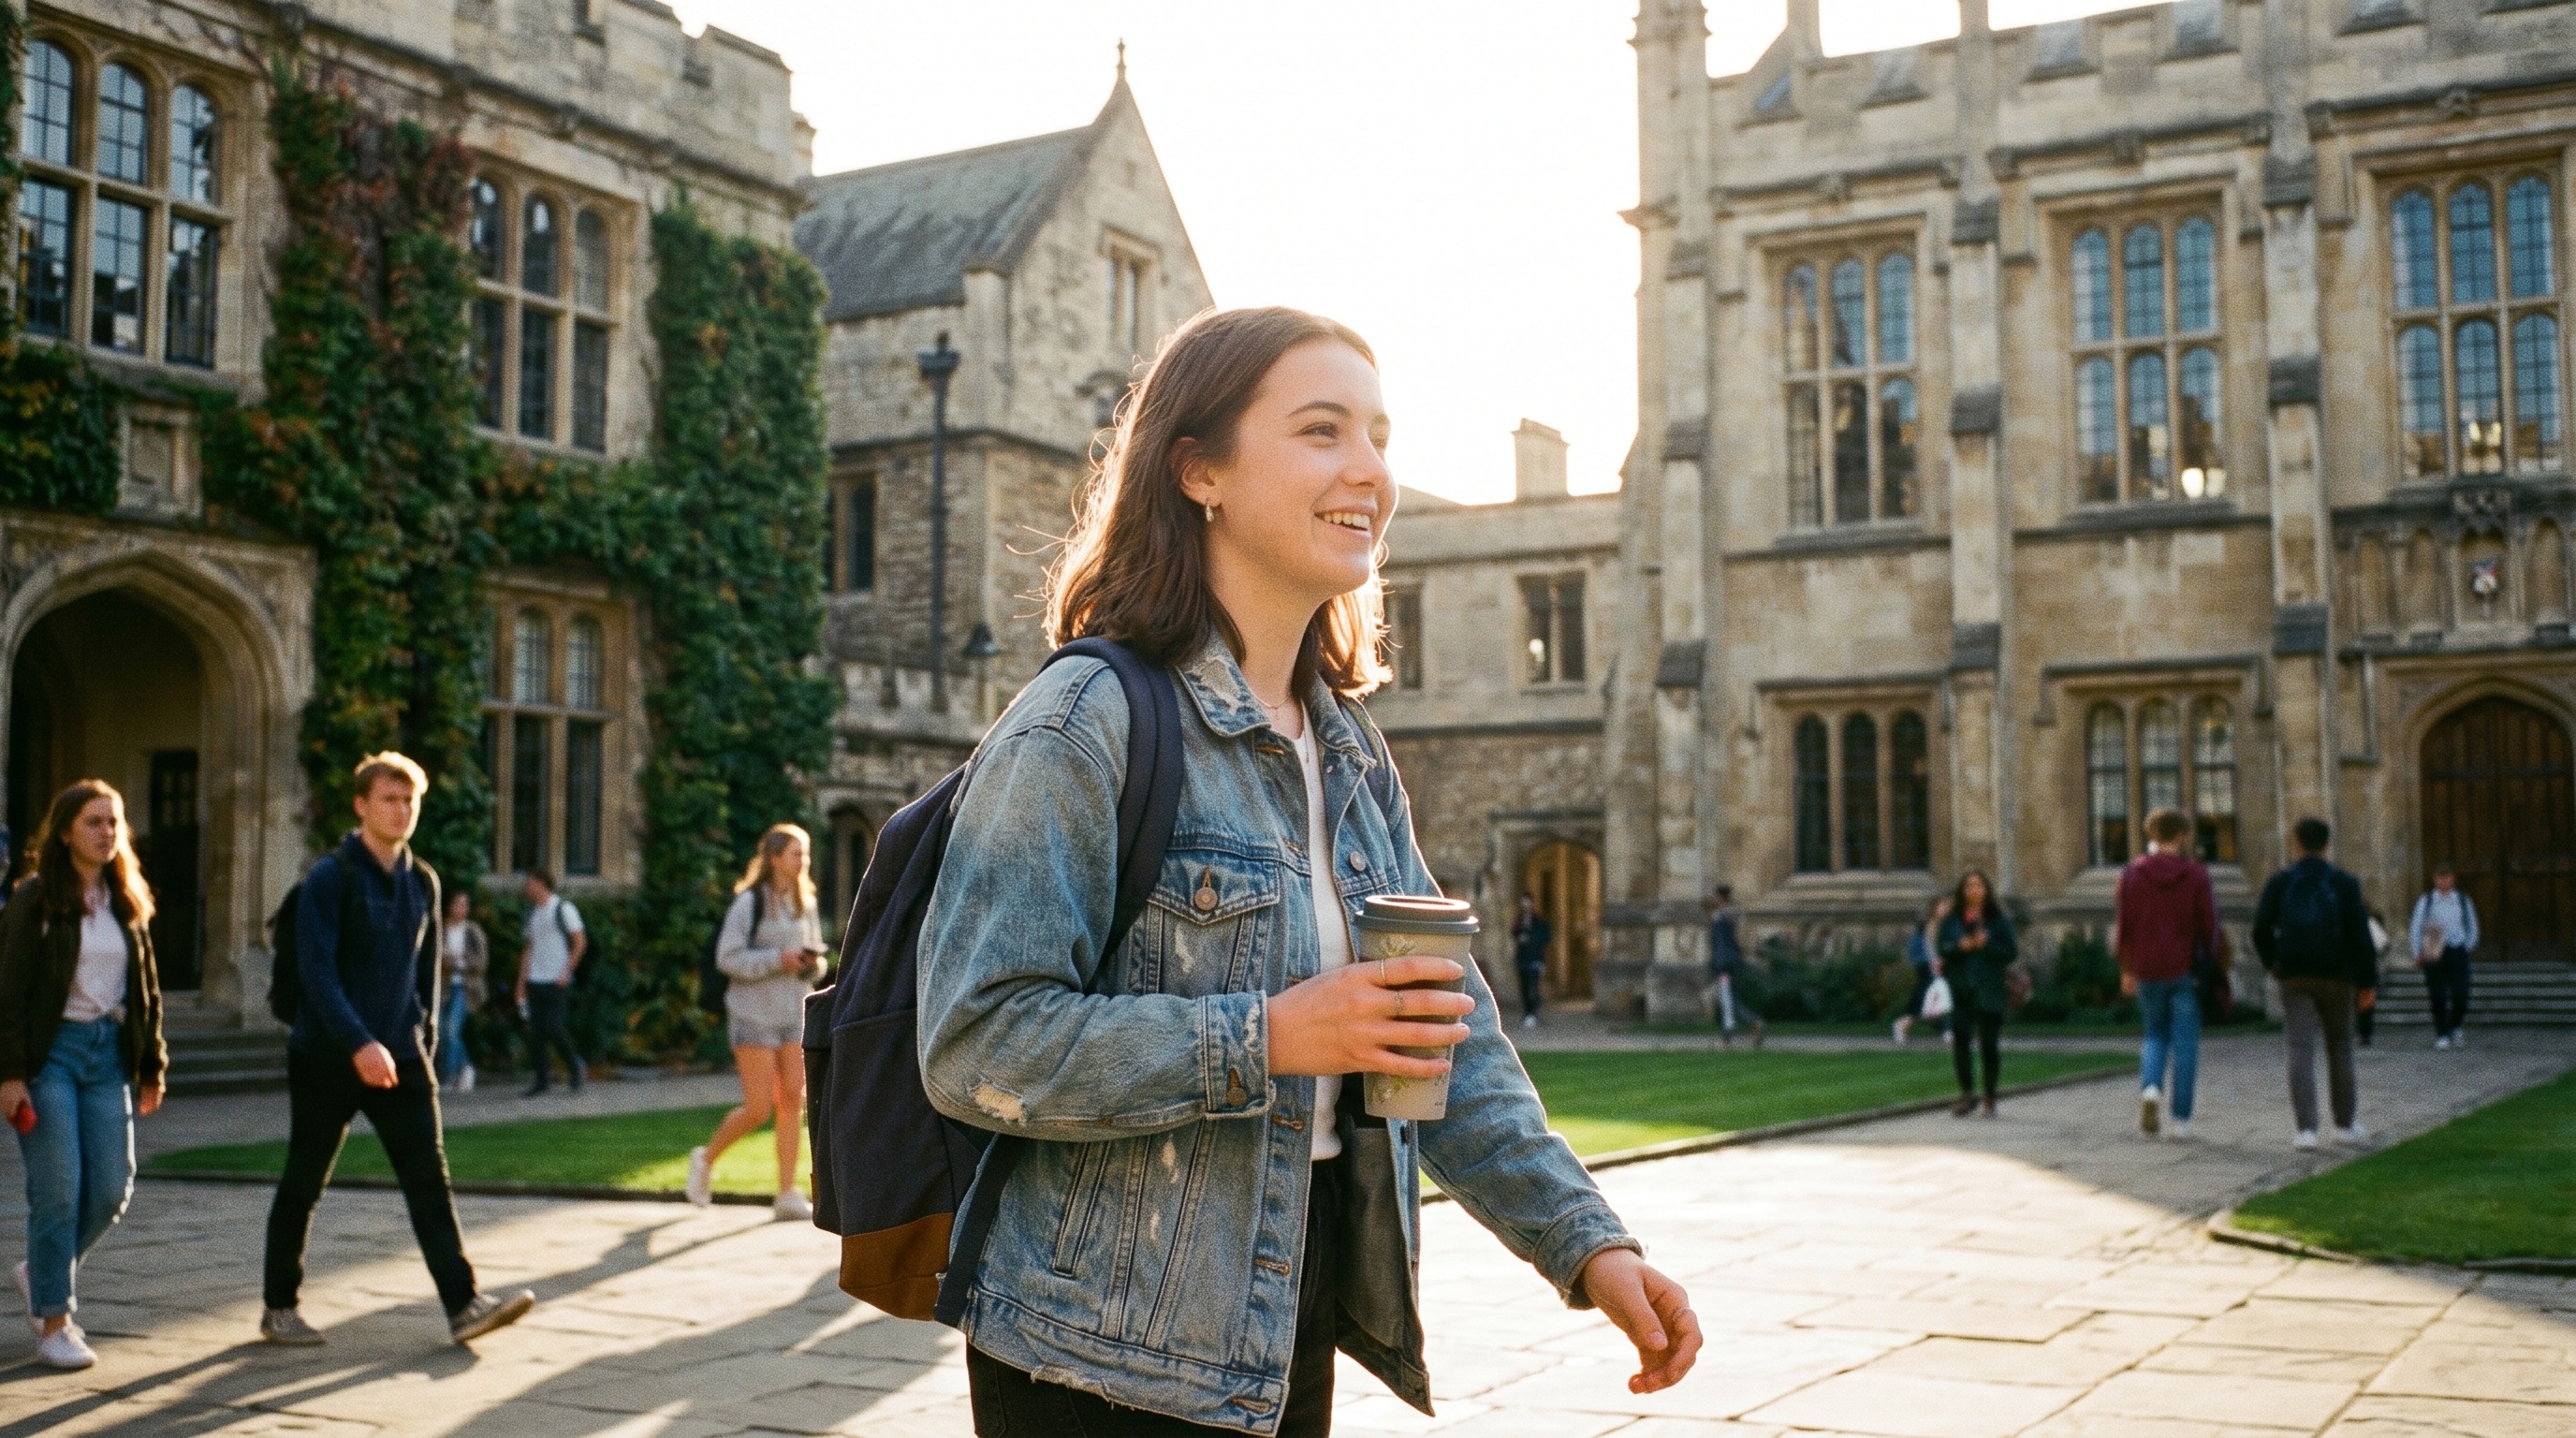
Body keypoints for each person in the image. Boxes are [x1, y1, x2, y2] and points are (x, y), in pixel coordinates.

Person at [918, 307, 1700, 1435]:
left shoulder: (1347, 748)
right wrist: (1272, 1036)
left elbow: (1444, 1036)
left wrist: (1588, 1245)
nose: (1370, 472)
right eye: (1323, 431)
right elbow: (976, 1044)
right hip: (1095, 1359)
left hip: (1291, 1321)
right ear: (1199, 473)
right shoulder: (1081, 724)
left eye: (1379, 436)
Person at [260, 753, 534, 1347]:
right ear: (362, 805)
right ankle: (279, 1306)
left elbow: (425, 971)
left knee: (428, 1181)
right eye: (389, 799)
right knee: (304, 1179)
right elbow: (317, 972)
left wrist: (425, 1039)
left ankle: (464, 1306)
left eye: (410, 800)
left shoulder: (422, 881)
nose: (402, 809)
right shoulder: (330, 877)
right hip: (326, 1055)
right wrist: (357, 1041)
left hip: (402, 1056)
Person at [0, 781, 167, 1370]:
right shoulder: (35, 899)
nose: (107, 833)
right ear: (66, 831)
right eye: (94, 822)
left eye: (114, 822)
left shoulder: (126, 901)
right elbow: (10, 990)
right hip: (52, 1057)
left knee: (111, 1190)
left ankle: (40, 1268)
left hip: (108, 1057)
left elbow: (146, 992)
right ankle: (54, 1321)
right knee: (59, 1191)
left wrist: (152, 1065)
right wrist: (10, 1073)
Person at [686, 823, 827, 1220]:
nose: (804, 861)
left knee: (792, 1102)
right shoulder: (748, 904)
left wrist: (808, 964)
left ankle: (786, 1193)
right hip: (753, 1016)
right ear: (774, 858)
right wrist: (777, 959)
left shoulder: (806, 904)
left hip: (792, 1015)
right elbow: (727, 959)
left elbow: (815, 972)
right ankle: (706, 1159)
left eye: (807, 854)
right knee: (759, 1107)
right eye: (797, 854)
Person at [2251, 816, 2378, 1150]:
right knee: (2339, 1047)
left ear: (2296, 843)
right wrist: (2367, 982)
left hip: (2294, 972)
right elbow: (2360, 936)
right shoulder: (2344, 883)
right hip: (2337, 973)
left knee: (2300, 1047)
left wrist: (2273, 963)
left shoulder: (2280, 881)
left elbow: (2260, 929)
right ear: (2327, 844)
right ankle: (2344, 1125)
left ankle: (2306, 1130)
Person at [2115, 809, 2217, 1140]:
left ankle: (2150, 1089)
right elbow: (2208, 925)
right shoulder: (2196, 874)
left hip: (2146, 967)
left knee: (2154, 1034)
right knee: (2185, 1043)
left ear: (2151, 834)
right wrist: (2208, 965)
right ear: (2182, 835)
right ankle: (2182, 1121)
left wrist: (2126, 967)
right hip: (2184, 968)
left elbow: (2124, 926)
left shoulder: (2132, 873)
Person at [1936, 871, 2016, 1118]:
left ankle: (1990, 1097)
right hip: (1960, 988)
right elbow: (1943, 948)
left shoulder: (1998, 920)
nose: (1974, 890)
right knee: (1961, 1042)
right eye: (1969, 885)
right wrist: (1961, 946)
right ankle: (1967, 1094)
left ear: (1986, 890)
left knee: (1989, 1044)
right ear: (1962, 891)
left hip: (1990, 988)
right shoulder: (1951, 921)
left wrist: (1987, 946)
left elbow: (2010, 953)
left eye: (1979, 885)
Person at [515, 869, 586, 1096]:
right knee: (536, 1033)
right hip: (536, 980)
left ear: (541, 883)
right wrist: (521, 983)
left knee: (554, 1027)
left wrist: (566, 972)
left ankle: (575, 1066)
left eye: (530, 883)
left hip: (557, 980)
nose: (527, 888)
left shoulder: (563, 909)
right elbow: (529, 948)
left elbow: (579, 941)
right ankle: (541, 1081)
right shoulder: (533, 913)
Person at [2407, 866, 2479, 1050]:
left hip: (2456, 948)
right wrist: (2417, 952)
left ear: (2452, 879)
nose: (2443, 881)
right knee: (2437, 994)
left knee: (2461, 993)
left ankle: (2455, 1026)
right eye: (2440, 877)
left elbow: (2471, 924)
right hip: (2434, 947)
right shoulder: (2427, 900)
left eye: (2446, 877)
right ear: (2434, 879)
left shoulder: (2462, 900)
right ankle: (2442, 1033)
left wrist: (2467, 945)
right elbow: (2417, 926)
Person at [437, 890, 487, 1093]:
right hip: (443, 987)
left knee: (452, 1029)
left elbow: (481, 962)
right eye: (458, 904)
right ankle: (466, 1066)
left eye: (465, 905)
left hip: (465, 987)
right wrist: (445, 962)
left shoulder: (473, 932)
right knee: (441, 1030)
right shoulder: (441, 930)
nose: (461, 909)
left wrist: (462, 960)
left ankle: (450, 1076)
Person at [1704, 885, 1764, 1048]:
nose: (1712, 899)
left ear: (1720, 898)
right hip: (1734, 962)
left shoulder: (1719, 917)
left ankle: (1732, 1034)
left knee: (1726, 999)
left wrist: (1718, 964)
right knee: (1731, 997)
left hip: (1723, 964)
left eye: (1715, 896)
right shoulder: (1733, 915)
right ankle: (1751, 1023)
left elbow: (1720, 944)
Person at [1894, 895, 1949, 1044]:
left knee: (1936, 998)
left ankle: (1946, 1030)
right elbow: (1923, 949)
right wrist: (1932, 962)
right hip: (1926, 965)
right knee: (1927, 995)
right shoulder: (1927, 925)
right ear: (1935, 908)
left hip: (1937, 965)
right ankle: (1904, 1024)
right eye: (1943, 905)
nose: (1946, 908)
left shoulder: (1943, 926)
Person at [1509, 894, 1551, 1030]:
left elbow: (1546, 937)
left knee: (1534, 986)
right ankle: (1527, 1013)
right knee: (1524, 987)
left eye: (1527, 902)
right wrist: (1520, 938)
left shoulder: (1539, 920)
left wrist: (1531, 939)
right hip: (1522, 958)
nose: (1525, 905)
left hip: (1535, 958)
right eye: (1523, 902)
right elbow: (1514, 933)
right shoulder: (1519, 920)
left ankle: (1532, 1013)